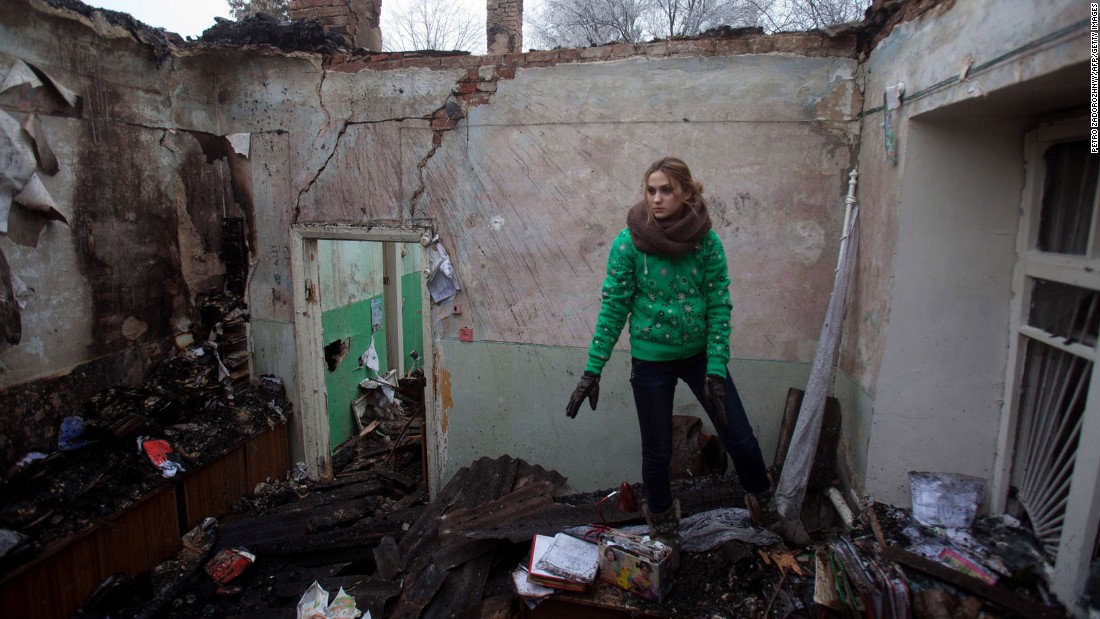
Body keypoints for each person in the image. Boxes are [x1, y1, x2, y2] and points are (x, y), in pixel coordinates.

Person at [565, 157, 779, 566]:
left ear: (686, 193)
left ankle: (766, 511)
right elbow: (613, 308)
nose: (657, 198)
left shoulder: (706, 242)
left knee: (740, 437)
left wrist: (716, 369)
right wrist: (593, 370)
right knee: (658, 452)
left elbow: (719, 304)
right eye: (651, 190)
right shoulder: (628, 243)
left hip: (701, 356)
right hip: (651, 361)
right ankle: (665, 532)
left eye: (666, 190)